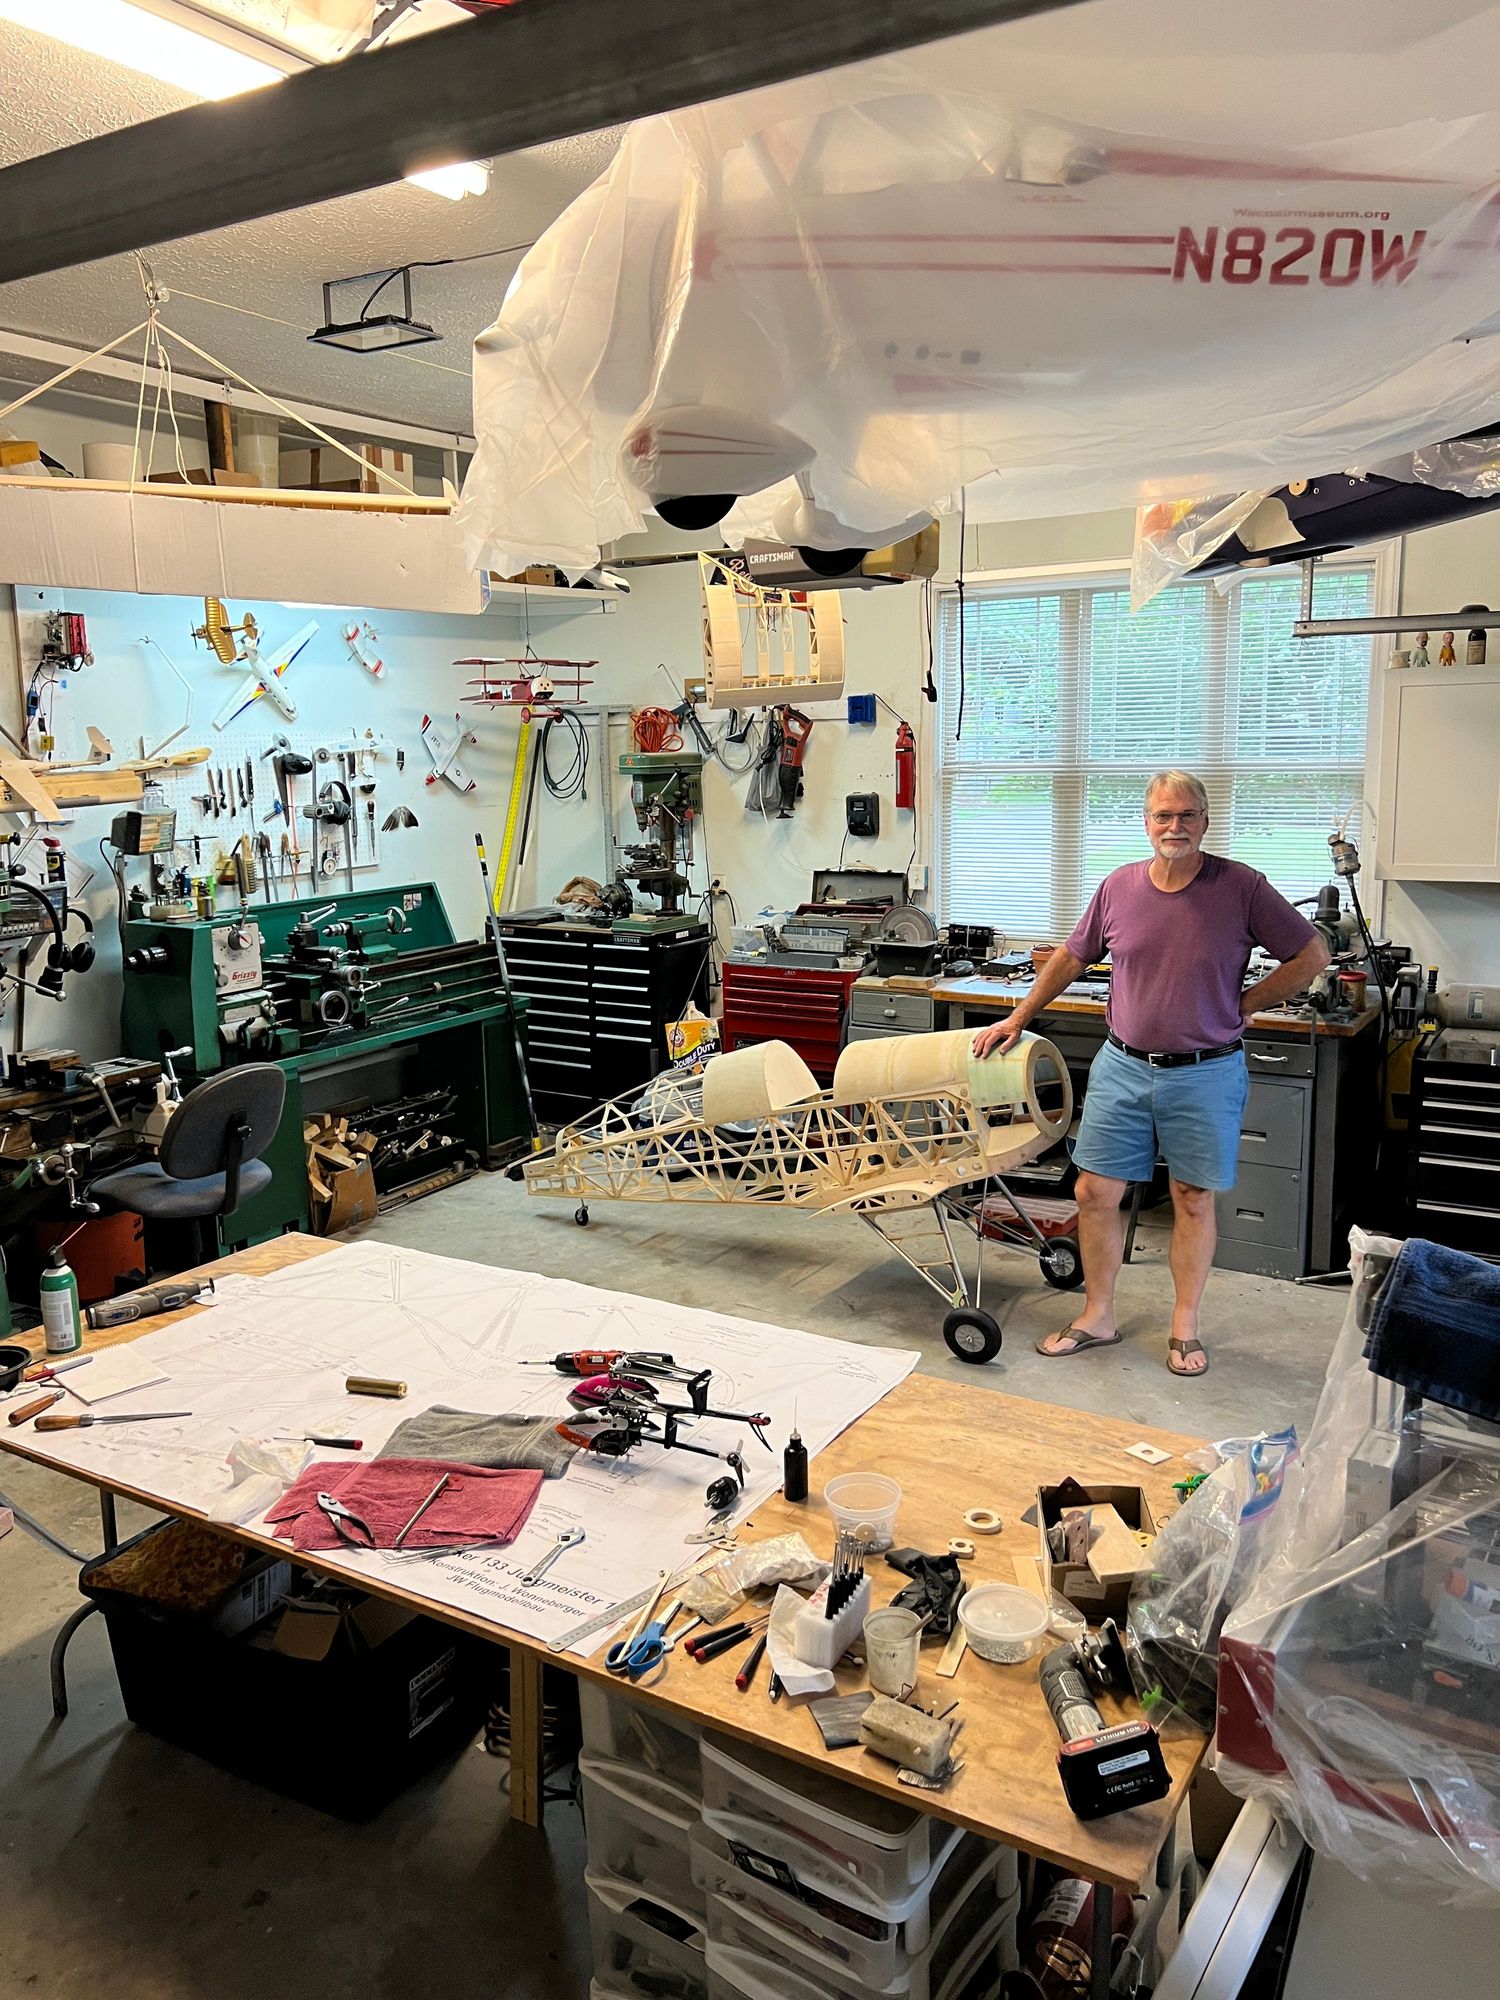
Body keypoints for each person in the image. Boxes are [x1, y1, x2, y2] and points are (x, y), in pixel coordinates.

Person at [974, 771, 1330, 1377]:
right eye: (1163, 815)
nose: (1175, 826)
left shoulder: (1242, 887)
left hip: (1205, 1071)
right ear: (1146, 823)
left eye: (1187, 815)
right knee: (1094, 1193)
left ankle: (1184, 1326)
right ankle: (1098, 1315)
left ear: (1205, 821)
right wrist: (1019, 1015)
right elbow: (1074, 954)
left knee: (1192, 1198)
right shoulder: (1118, 887)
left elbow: (1312, 954)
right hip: (1123, 1065)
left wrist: (1245, 1003)